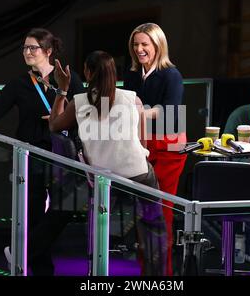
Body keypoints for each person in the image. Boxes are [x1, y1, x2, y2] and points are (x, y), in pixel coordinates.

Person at [0, 28, 85, 275]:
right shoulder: (19, 84)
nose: (27, 52)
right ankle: (41, 270)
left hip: (60, 154)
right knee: (31, 214)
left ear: (48, 51)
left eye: (33, 48)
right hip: (30, 155)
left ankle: (24, 253)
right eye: (25, 48)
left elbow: (85, 114)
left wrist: (60, 119)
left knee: (64, 208)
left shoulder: (68, 78)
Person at [49, 50, 168, 276]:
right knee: (153, 230)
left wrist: (61, 90)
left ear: (88, 72)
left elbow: (54, 125)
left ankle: (97, 271)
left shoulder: (79, 102)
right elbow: (143, 144)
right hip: (139, 176)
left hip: (104, 181)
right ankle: (156, 278)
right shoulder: (134, 99)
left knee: (101, 227)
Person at [123, 23, 187, 276]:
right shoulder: (131, 74)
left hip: (168, 150)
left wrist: (140, 112)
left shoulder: (172, 75)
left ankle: (163, 276)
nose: (139, 49)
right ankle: (145, 273)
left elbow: (171, 117)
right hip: (142, 146)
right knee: (143, 214)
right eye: (136, 44)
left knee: (161, 216)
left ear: (158, 46)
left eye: (144, 44)